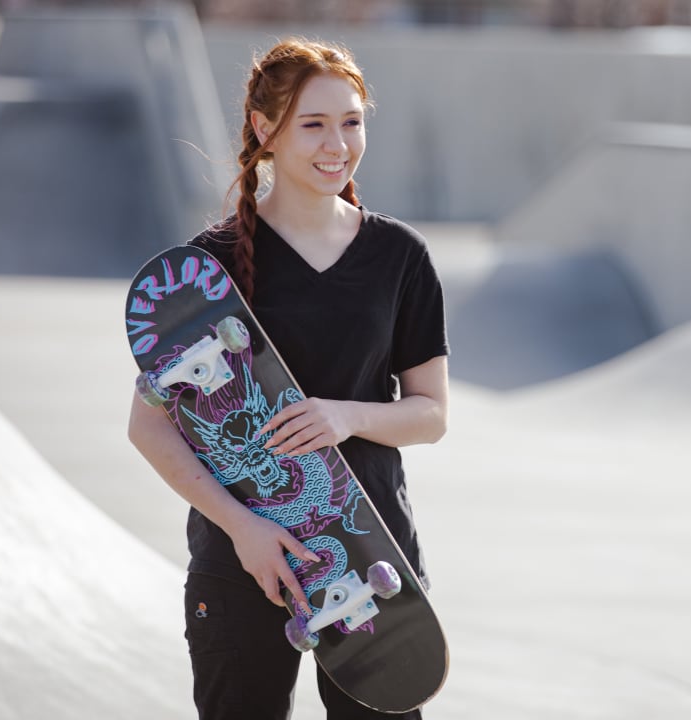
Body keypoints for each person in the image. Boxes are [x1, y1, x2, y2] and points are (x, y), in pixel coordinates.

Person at [127, 37, 449, 720]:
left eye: (352, 121)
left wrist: (348, 415)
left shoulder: (398, 258)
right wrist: (242, 528)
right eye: (315, 124)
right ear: (264, 129)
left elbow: (430, 413)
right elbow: (148, 423)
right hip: (241, 562)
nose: (339, 143)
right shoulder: (206, 271)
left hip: (370, 559)